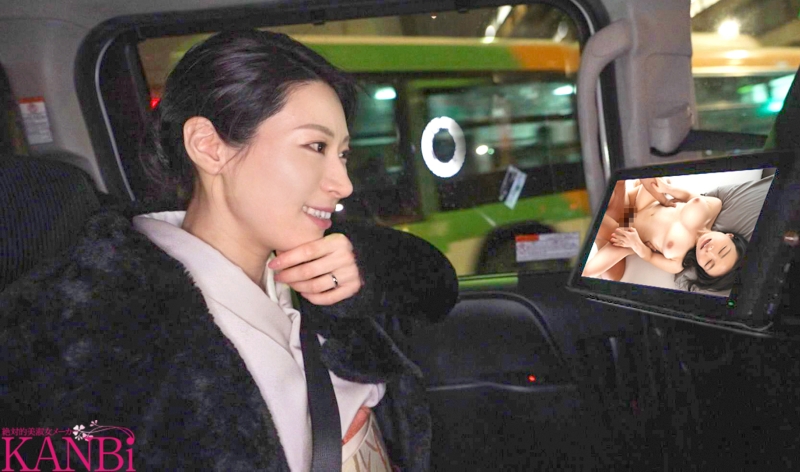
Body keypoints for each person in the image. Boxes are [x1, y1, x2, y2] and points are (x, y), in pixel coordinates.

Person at [0, 30, 458, 471]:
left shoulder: (321, 254)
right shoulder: (95, 323)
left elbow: (437, 287)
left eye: (342, 154)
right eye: (315, 146)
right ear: (209, 147)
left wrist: (367, 268)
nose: (344, 183)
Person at [583, 177, 747, 291]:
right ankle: (616, 199)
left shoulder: (678, 262)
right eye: (722, 250)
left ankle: (603, 232)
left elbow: (650, 256)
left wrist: (636, 245)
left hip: (629, 232)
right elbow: (689, 196)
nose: (709, 251)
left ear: (702, 269)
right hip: (642, 202)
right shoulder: (715, 206)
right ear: (729, 236)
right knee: (655, 180)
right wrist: (668, 189)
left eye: (709, 263)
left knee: (591, 273)